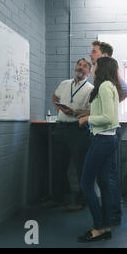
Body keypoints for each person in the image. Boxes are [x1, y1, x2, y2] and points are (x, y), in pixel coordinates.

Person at [77, 56, 123, 242]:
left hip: (102, 140)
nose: (92, 66)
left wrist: (87, 119)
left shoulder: (104, 86)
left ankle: (97, 227)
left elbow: (109, 118)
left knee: (86, 183)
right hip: (108, 139)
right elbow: (106, 115)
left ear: (101, 68)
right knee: (103, 184)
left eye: (94, 64)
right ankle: (105, 227)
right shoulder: (109, 86)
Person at [87, 40, 127, 226]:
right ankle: (107, 216)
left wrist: (110, 104)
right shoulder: (103, 78)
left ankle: (112, 216)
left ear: (104, 55)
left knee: (109, 175)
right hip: (102, 130)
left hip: (107, 131)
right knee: (104, 176)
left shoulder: (108, 78)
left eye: (94, 52)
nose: (91, 54)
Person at [42, 58, 93, 210]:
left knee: (81, 166)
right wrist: (59, 110)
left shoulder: (91, 89)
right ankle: (58, 197)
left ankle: (81, 200)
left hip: (78, 130)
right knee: (57, 164)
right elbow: (55, 97)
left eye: (85, 66)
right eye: (79, 65)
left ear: (88, 72)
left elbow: (93, 110)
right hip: (61, 128)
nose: (81, 68)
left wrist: (75, 113)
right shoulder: (65, 84)